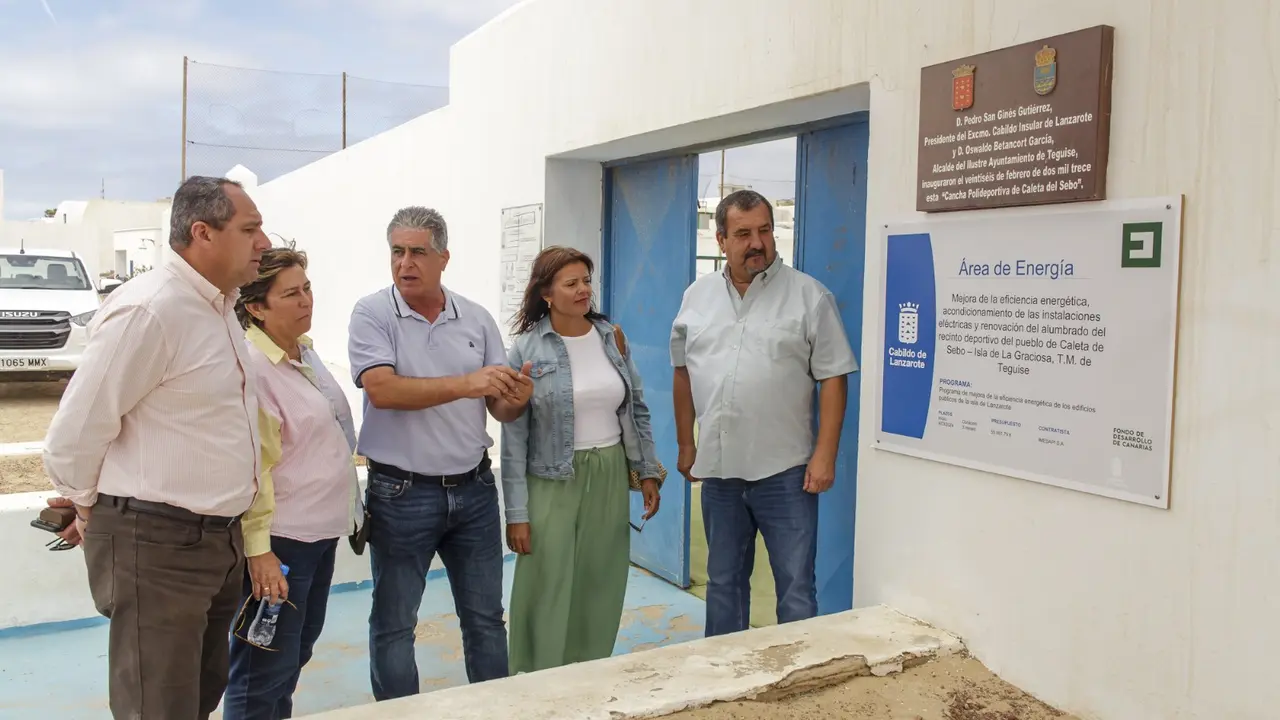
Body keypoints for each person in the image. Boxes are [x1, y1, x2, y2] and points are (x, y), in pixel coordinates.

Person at [42, 175, 271, 719]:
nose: (264, 242)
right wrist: (86, 505)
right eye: (250, 229)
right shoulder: (151, 309)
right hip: (158, 545)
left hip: (215, 543)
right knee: (158, 707)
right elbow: (75, 433)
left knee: (195, 698)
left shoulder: (218, 308)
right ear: (203, 233)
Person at [347, 206, 533, 700]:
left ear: (444, 257)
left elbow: (498, 407)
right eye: (397, 252)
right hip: (399, 493)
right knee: (394, 623)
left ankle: (494, 711)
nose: (405, 263)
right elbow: (382, 391)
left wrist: (514, 400)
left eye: (418, 252)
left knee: (486, 620)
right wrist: (469, 383)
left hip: (473, 491)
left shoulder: (475, 318)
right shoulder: (372, 313)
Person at [670, 189, 858, 638]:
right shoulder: (697, 296)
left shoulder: (809, 295)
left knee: (795, 588)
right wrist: (685, 443)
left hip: (786, 472)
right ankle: (728, 680)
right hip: (720, 470)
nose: (757, 243)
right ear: (720, 240)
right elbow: (682, 372)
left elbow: (833, 376)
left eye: (765, 231)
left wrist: (824, 454)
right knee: (723, 585)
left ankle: (798, 684)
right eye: (743, 234)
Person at [501, 246, 664, 674]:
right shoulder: (526, 351)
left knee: (600, 578)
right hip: (551, 480)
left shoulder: (612, 338)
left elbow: (637, 408)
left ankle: (586, 673)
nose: (583, 291)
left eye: (586, 281)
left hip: (608, 472)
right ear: (547, 294)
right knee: (545, 583)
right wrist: (516, 513)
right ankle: (535, 677)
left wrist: (647, 473)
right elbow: (513, 437)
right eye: (571, 283)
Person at [222, 246, 363, 719]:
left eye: (307, 289)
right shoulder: (255, 370)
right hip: (282, 544)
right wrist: (259, 553)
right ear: (257, 307)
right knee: (261, 672)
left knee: (292, 658)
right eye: (291, 294)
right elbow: (254, 470)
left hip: (319, 536)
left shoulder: (304, 351)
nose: (306, 301)